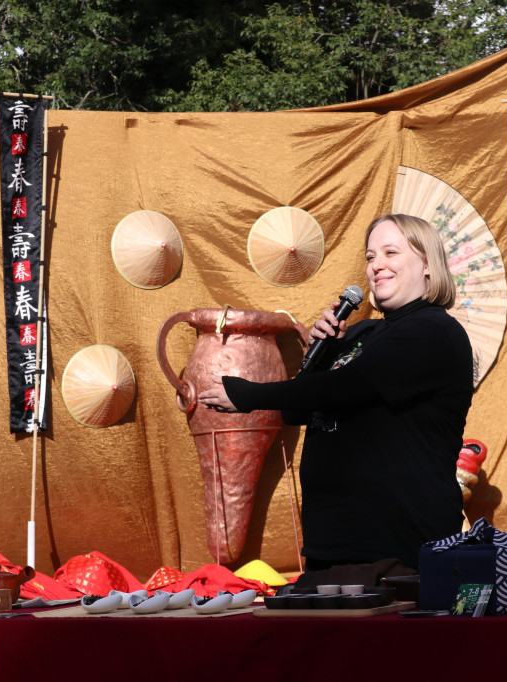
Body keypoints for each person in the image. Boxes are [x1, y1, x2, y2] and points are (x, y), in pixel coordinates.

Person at [198, 214, 474, 570]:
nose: (377, 265)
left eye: (391, 252)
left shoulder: (433, 331)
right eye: (371, 256)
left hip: (397, 546)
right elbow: (298, 411)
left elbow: (348, 387)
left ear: (427, 265)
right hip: (332, 542)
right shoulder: (360, 334)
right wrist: (322, 352)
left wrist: (248, 394)